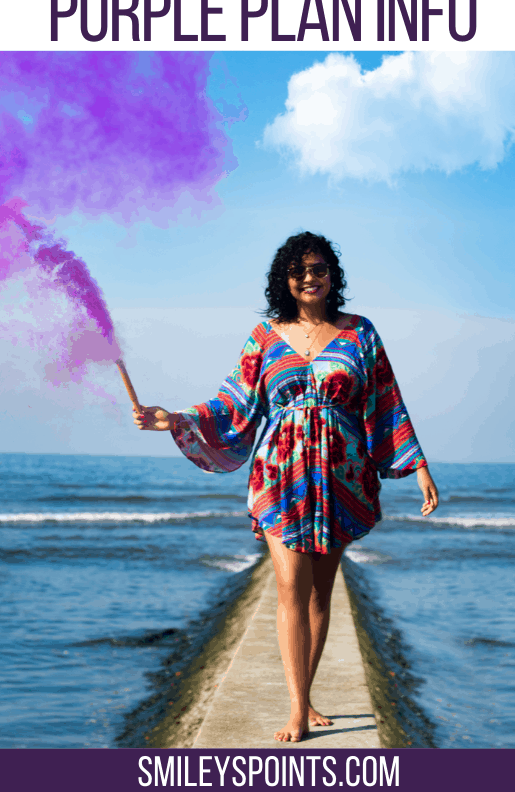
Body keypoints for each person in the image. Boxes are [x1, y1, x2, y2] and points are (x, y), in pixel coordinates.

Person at [133, 231, 439, 743]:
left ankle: (308, 693)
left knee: (321, 596)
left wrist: (417, 465)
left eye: (320, 269)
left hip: (341, 475)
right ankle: (297, 709)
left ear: (332, 276)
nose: (311, 278)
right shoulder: (265, 337)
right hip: (279, 474)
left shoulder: (361, 332)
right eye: (300, 271)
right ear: (286, 281)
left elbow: (386, 402)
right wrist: (176, 418)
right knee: (289, 589)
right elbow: (232, 403)